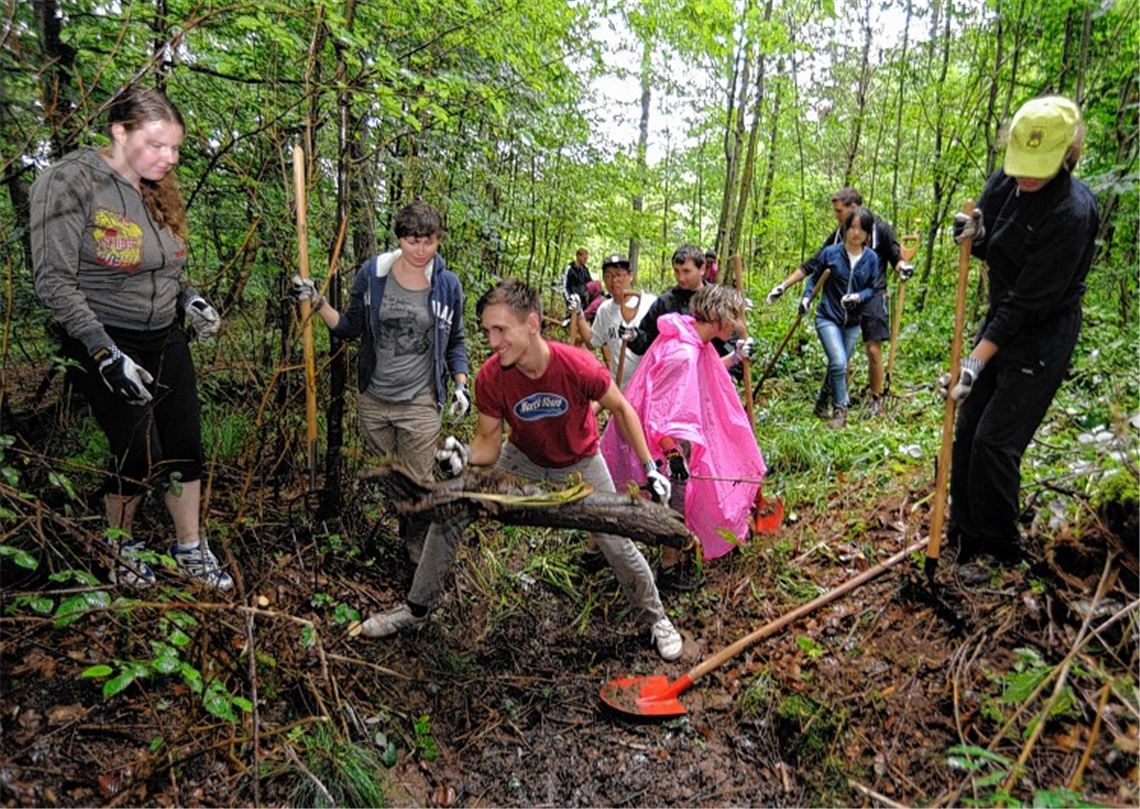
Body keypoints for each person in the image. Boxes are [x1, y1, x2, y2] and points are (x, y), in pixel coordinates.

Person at [357, 279, 684, 662]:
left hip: (579, 461)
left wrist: (649, 466)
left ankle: (656, 618)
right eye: (487, 331)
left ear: (532, 323)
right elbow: (488, 444)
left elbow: (622, 408)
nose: (493, 342)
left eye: (500, 330)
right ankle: (416, 608)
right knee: (452, 509)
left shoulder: (577, 365)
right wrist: (462, 455)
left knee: (615, 538)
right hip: (521, 457)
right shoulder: (491, 377)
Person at [30, 86, 232, 590]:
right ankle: (117, 546)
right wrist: (103, 351)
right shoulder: (69, 183)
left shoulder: (155, 185)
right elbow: (52, 280)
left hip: (164, 335)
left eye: (176, 148)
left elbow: (163, 262)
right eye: (157, 145)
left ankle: (189, 548)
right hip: (103, 337)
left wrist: (190, 299)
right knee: (139, 452)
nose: (170, 158)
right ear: (118, 132)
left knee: (185, 447)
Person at [945, 96, 1097, 566]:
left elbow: (1026, 304)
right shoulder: (1006, 181)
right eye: (1020, 165)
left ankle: (998, 553)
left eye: (1040, 167)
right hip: (1001, 318)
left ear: (1066, 156)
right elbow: (993, 242)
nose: (1026, 176)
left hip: (1041, 335)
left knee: (996, 442)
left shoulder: (1072, 214)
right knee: (967, 430)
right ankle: (963, 539)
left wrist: (973, 362)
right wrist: (974, 233)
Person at [292, 201, 469, 563]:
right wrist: (317, 301)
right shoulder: (372, 275)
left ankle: (418, 561)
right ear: (399, 239)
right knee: (392, 478)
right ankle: (409, 528)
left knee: (416, 485)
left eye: (428, 241)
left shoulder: (447, 285)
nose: (420, 250)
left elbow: (456, 340)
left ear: (438, 241)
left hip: (421, 401)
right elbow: (348, 327)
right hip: (374, 399)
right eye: (411, 241)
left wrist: (460, 383)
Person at [601, 285, 767, 589]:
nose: (738, 325)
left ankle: (601, 551)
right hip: (663, 442)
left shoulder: (691, 337)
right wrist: (673, 454)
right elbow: (660, 413)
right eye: (735, 317)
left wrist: (734, 356)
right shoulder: (683, 353)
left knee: (649, 497)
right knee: (674, 499)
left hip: (668, 436)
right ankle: (668, 567)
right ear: (717, 316)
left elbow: (705, 370)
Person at [766, 188, 910, 415]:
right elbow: (814, 264)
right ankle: (828, 403)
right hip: (841, 302)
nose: (836, 216)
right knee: (839, 356)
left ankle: (876, 399)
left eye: (839, 211)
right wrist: (784, 285)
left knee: (873, 350)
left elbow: (895, 255)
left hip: (872, 294)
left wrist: (902, 267)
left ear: (853, 208)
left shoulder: (878, 228)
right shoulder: (837, 237)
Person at [802, 207, 883, 429]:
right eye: (852, 227)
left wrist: (858, 297)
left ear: (868, 233)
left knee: (837, 366)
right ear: (845, 229)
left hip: (852, 322)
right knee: (839, 363)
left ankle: (820, 405)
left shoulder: (871, 258)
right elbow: (814, 280)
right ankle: (841, 409)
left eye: (861, 229)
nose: (856, 233)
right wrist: (806, 298)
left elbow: (872, 288)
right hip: (828, 317)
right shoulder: (830, 253)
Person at [622, 244, 752, 373]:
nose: (681, 278)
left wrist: (738, 355)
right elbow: (648, 342)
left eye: (686, 271)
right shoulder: (665, 303)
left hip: (715, 376)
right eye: (676, 271)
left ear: (702, 269)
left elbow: (732, 338)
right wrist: (633, 336)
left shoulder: (716, 301)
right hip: (676, 379)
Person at [579, 253, 657, 390]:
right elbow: (592, 342)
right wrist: (579, 315)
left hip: (648, 388)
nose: (614, 280)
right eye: (608, 275)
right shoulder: (605, 310)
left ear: (630, 275)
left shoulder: (649, 303)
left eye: (619, 274)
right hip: (620, 388)